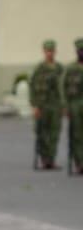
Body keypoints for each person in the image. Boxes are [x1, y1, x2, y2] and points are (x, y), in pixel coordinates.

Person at [30, 39, 65, 170]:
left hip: (55, 105)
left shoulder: (60, 68)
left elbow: (63, 88)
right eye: (47, 50)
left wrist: (64, 106)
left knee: (55, 133)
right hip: (42, 105)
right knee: (42, 132)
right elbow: (32, 86)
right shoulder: (40, 68)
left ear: (55, 51)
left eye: (51, 50)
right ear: (44, 51)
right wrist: (35, 106)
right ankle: (44, 158)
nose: (50, 53)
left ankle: (51, 159)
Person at [64, 38, 83, 176]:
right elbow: (63, 87)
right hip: (75, 105)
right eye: (80, 50)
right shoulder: (71, 69)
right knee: (76, 135)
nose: (81, 52)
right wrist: (66, 106)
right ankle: (79, 162)